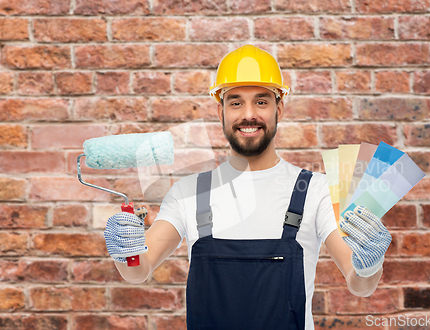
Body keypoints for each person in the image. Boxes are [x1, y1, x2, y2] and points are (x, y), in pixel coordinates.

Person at [104, 45, 392, 330]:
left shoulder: (316, 190)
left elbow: (359, 284)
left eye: (262, 101)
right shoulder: (188, 193)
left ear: (279, 108)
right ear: (221, 112)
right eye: (236, 102)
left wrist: (370, 265)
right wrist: (124, 250)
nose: (249, 114)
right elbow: (138, 271)